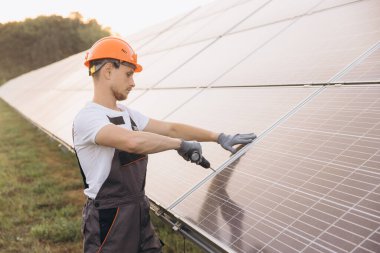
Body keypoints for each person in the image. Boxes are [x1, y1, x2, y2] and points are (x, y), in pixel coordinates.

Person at [72, 36, 256, 253]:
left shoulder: (128, 114)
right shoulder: (89, 118)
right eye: (129, 74)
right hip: (109, 219)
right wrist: (179, 145)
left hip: (138, 210)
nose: (133, 82)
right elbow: (132, 142)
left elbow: (171, 129)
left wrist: (219, 136)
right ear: (109, 71)